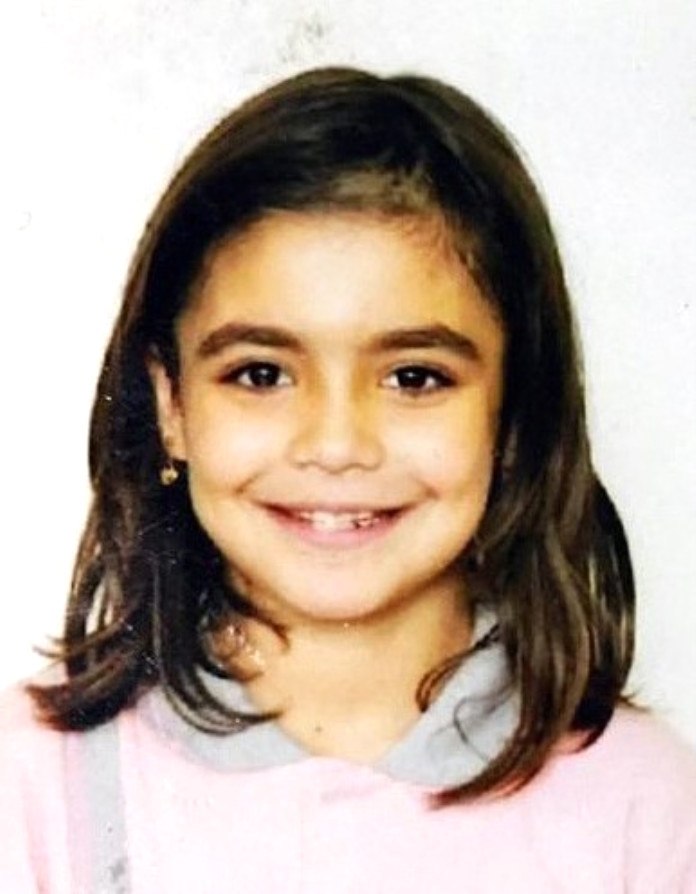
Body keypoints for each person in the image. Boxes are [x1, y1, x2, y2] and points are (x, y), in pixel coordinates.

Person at [1, 66, 695, 893]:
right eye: (261, 374)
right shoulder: (35, 785)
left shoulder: (645, 807)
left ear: (513, 417)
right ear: (170, 405)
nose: (336, 445)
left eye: (414, 378)